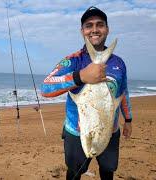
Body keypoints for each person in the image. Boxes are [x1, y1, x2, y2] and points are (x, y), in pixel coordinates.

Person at [41, 6, 133, 180]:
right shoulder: (73, 60)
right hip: (77, 133)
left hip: (110, 131)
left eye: (100, 24)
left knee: (108, 171)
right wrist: (81, 76)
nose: (94, 29)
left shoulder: (119, 63)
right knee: (74, 173)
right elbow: (46, 88)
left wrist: (128, 120)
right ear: (82, 31)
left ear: (107, 29)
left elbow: (123, 93)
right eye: (89, 25)